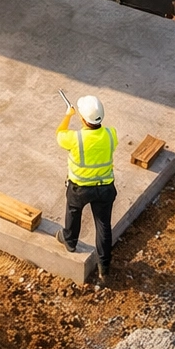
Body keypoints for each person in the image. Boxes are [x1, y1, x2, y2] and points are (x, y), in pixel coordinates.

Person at [55, 95, 117, 284]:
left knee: (73, 211)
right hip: (105, 188)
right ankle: (104, 268)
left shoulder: (75, 139)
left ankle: (70, 241)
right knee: (103, 225)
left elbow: (59, 134)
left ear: (82, 119)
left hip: (80, 189)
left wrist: (68, 116)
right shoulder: (110, 134)